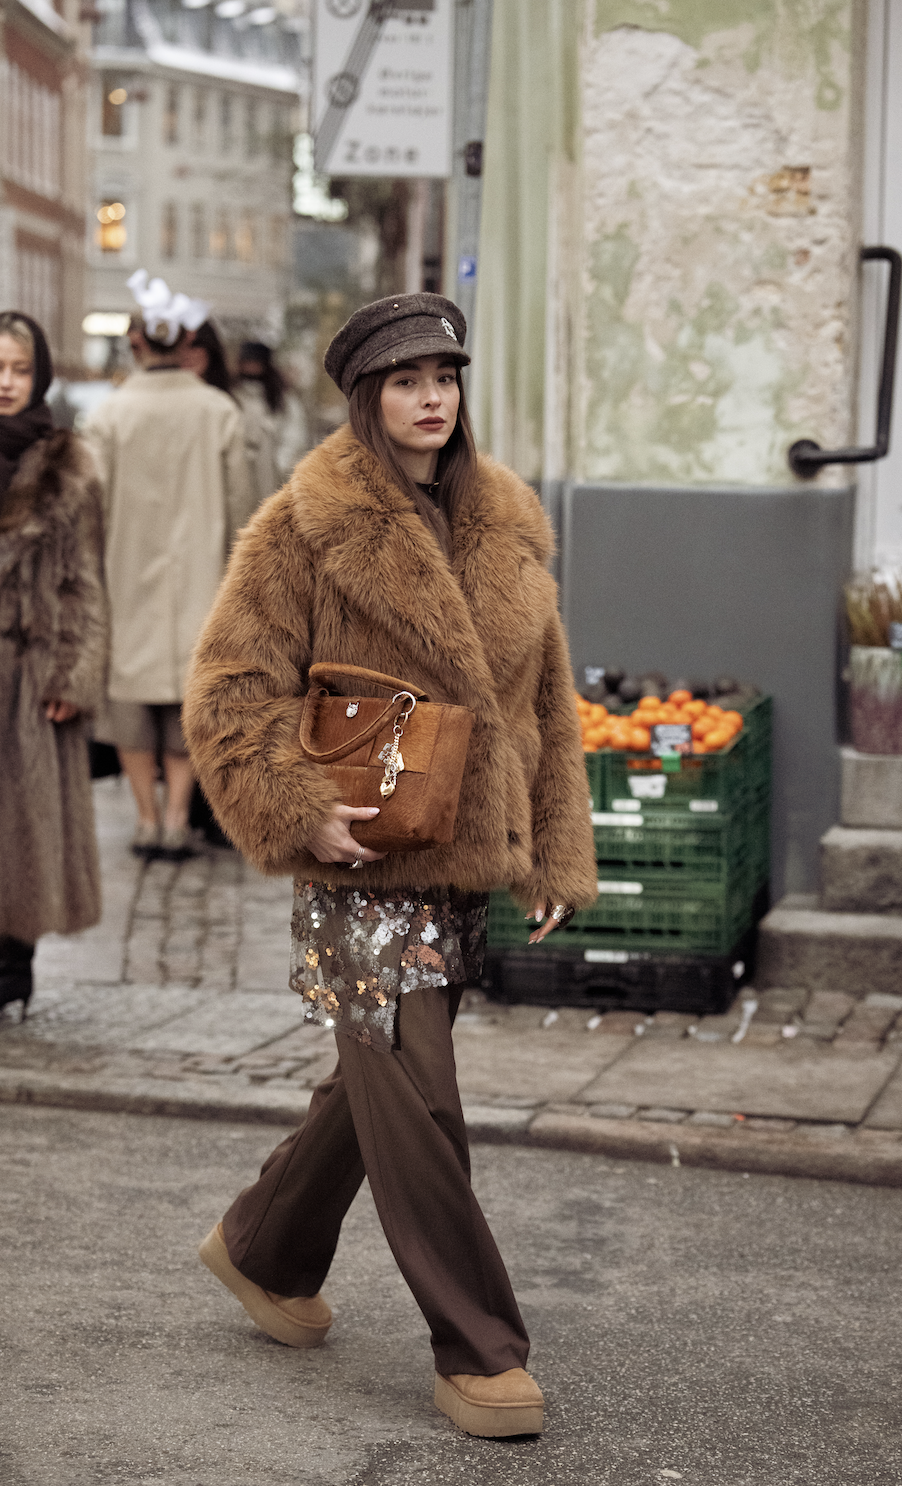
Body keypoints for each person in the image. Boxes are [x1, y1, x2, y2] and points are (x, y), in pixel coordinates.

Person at [183, 293, 597, 1438]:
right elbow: (228, 691)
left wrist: (555, 845)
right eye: (407, 380)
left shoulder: (504, 520)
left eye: (445, 378)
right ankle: (478, 1346)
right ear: (365, 396)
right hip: (357, 860)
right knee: (419, 1095)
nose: (431, 398)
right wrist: (294, 809)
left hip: (459, 859)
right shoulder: (302, 525)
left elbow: (544, 709)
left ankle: (263, 1246)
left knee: (377, 1083)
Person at [83, 271, 251, 861]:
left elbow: (91, 506)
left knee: (128, 699)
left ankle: (146, 818)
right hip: (203, 577)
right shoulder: (219, 412)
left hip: (125, 573)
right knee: (189, 700)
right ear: (185, 344)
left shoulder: (107, 416)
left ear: (136, 344)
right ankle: (180, 814)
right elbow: (242, 509)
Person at [0, 312, 109, 1019]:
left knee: (25, 824)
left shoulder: (66, 464)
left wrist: (73, 675)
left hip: (27, 673)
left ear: (38, 375)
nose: (4, 383)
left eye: (17, 369)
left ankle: (13, 961)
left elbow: (82, 581)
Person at [235, 340, 308, 510]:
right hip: (239, 472)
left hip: (271, 478)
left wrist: (278, 465)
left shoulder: (283, 401)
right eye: (247, 362)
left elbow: (294, 438)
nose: (251, 367)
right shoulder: (233, 396)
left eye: (255, 362)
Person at [181, 320, 234, 397]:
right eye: (178, 348)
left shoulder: (229, 400)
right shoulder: (160, 398)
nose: (185, 355)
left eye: (194, 345)